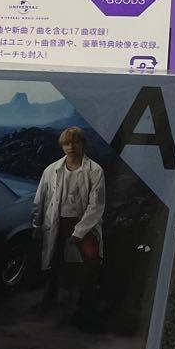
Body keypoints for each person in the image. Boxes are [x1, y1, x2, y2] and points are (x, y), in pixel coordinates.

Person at [32, 126, 105, 318]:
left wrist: (80, 231)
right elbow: (40, 199)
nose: (70, 147)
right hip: (56, 220)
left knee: (92, 259)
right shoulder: (51, 170)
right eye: (66, 143)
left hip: (83, 222)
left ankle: (86, 302)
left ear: (83, 144)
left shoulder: (95, 170)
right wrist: (37, 224)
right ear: (62, 146)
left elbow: (96, 205)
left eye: (75, 142)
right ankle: (49, 298)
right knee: (53, 260)